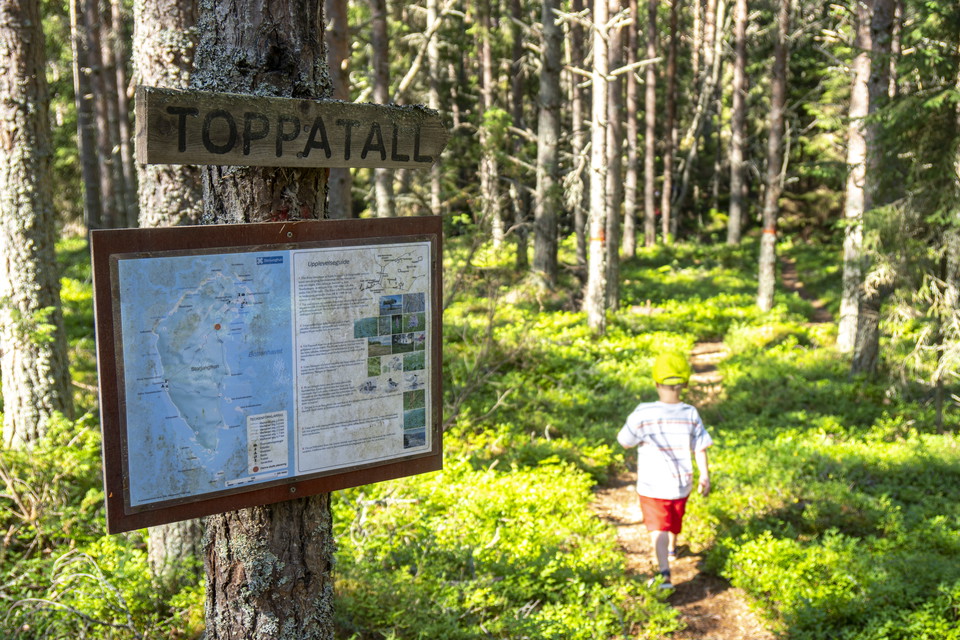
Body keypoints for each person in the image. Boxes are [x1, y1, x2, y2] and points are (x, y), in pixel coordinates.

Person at [617, 352, 712, 590]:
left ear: (656, 382)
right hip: (682, 484)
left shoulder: (643, 412)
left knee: (657, 527)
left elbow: (624, 440)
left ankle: (664, 575)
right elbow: (700, 448)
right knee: (674, 520)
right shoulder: (690, 413)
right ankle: (671, 549)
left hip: (652, 485)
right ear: (686, 384)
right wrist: (705, 475)